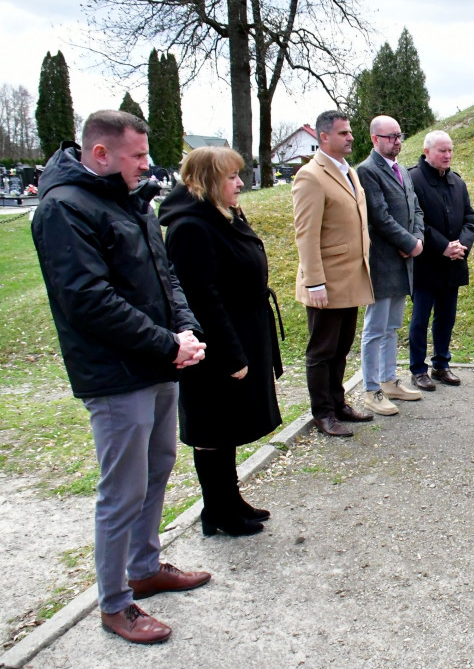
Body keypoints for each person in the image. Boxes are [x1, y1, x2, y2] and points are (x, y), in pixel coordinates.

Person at [31, 110, 210, 644]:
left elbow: (165, 274)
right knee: (122, 489)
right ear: (101, 154)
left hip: (158, 361)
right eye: (136, 156)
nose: (146, 165)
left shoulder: (128, 200)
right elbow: (88, 300)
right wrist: (166, 342)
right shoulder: (64, 208)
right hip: (116, 375)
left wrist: (186, 329)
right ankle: (115, 604)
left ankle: (145, 567)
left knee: (156, 470)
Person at [159, 146, 283, 537]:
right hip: (215, 346)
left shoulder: (220, 215)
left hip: (242, 331)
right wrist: (231, 354)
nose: (240, 183)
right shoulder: (191, 227)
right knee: (212, 429)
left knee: (227, 426)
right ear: (207, 181)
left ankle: (231, 500)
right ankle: (217, 511)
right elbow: (202, 298)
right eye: (231, 177)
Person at [293, 110, 375, 436]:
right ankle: (323, 413)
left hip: (350, 278)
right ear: (323, 137)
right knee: (321, 351)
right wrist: (314, 282)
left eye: (350, 131)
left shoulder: (349, 172)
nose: (350, 137)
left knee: (341, 348)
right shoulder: (310, 176)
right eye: (343, 133)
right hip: (325, 282)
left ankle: (338, 403)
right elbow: (306, 234)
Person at [356, 115, 425, 415]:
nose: (397, 141)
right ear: (375, 139)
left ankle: (388, 381)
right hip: (383, 262)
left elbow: (416, 207)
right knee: (375, 327)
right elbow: (379, 217)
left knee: (392, 326)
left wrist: (417, 238)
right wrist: (410, 243)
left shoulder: (402, 170)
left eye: (399, 135)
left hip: (404, 262)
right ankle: (371, 390)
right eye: (390, 136)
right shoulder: (367, 171)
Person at [407, 130, 474, 391]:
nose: (447, 155)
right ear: (427, 152)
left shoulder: (457, 182)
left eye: (450, 150)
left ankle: (441, 364)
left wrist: (462, 245)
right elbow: (415, 221)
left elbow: (470, 219)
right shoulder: (412, 179)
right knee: (421, 318)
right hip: (426, 263)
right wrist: (442, 246)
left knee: (447, 317)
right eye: (441, 150)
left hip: (453, 263)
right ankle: (418, 369)